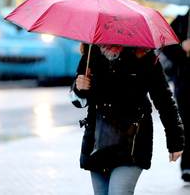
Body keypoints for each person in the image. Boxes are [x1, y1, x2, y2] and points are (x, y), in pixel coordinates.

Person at [70, 43, 184, 195]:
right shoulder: (92, 53)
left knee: (119, 192)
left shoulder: (145, 55)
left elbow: (164, 100)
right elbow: (78, 101)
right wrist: (79, 88)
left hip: (132, 140)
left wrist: (175, 141)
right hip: (98, 139)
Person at [163, 10, 190, 181]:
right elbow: (167, 47)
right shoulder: (181, 22)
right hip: (185, 84)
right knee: (186, 123)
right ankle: (187, 166)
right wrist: (182, 47)